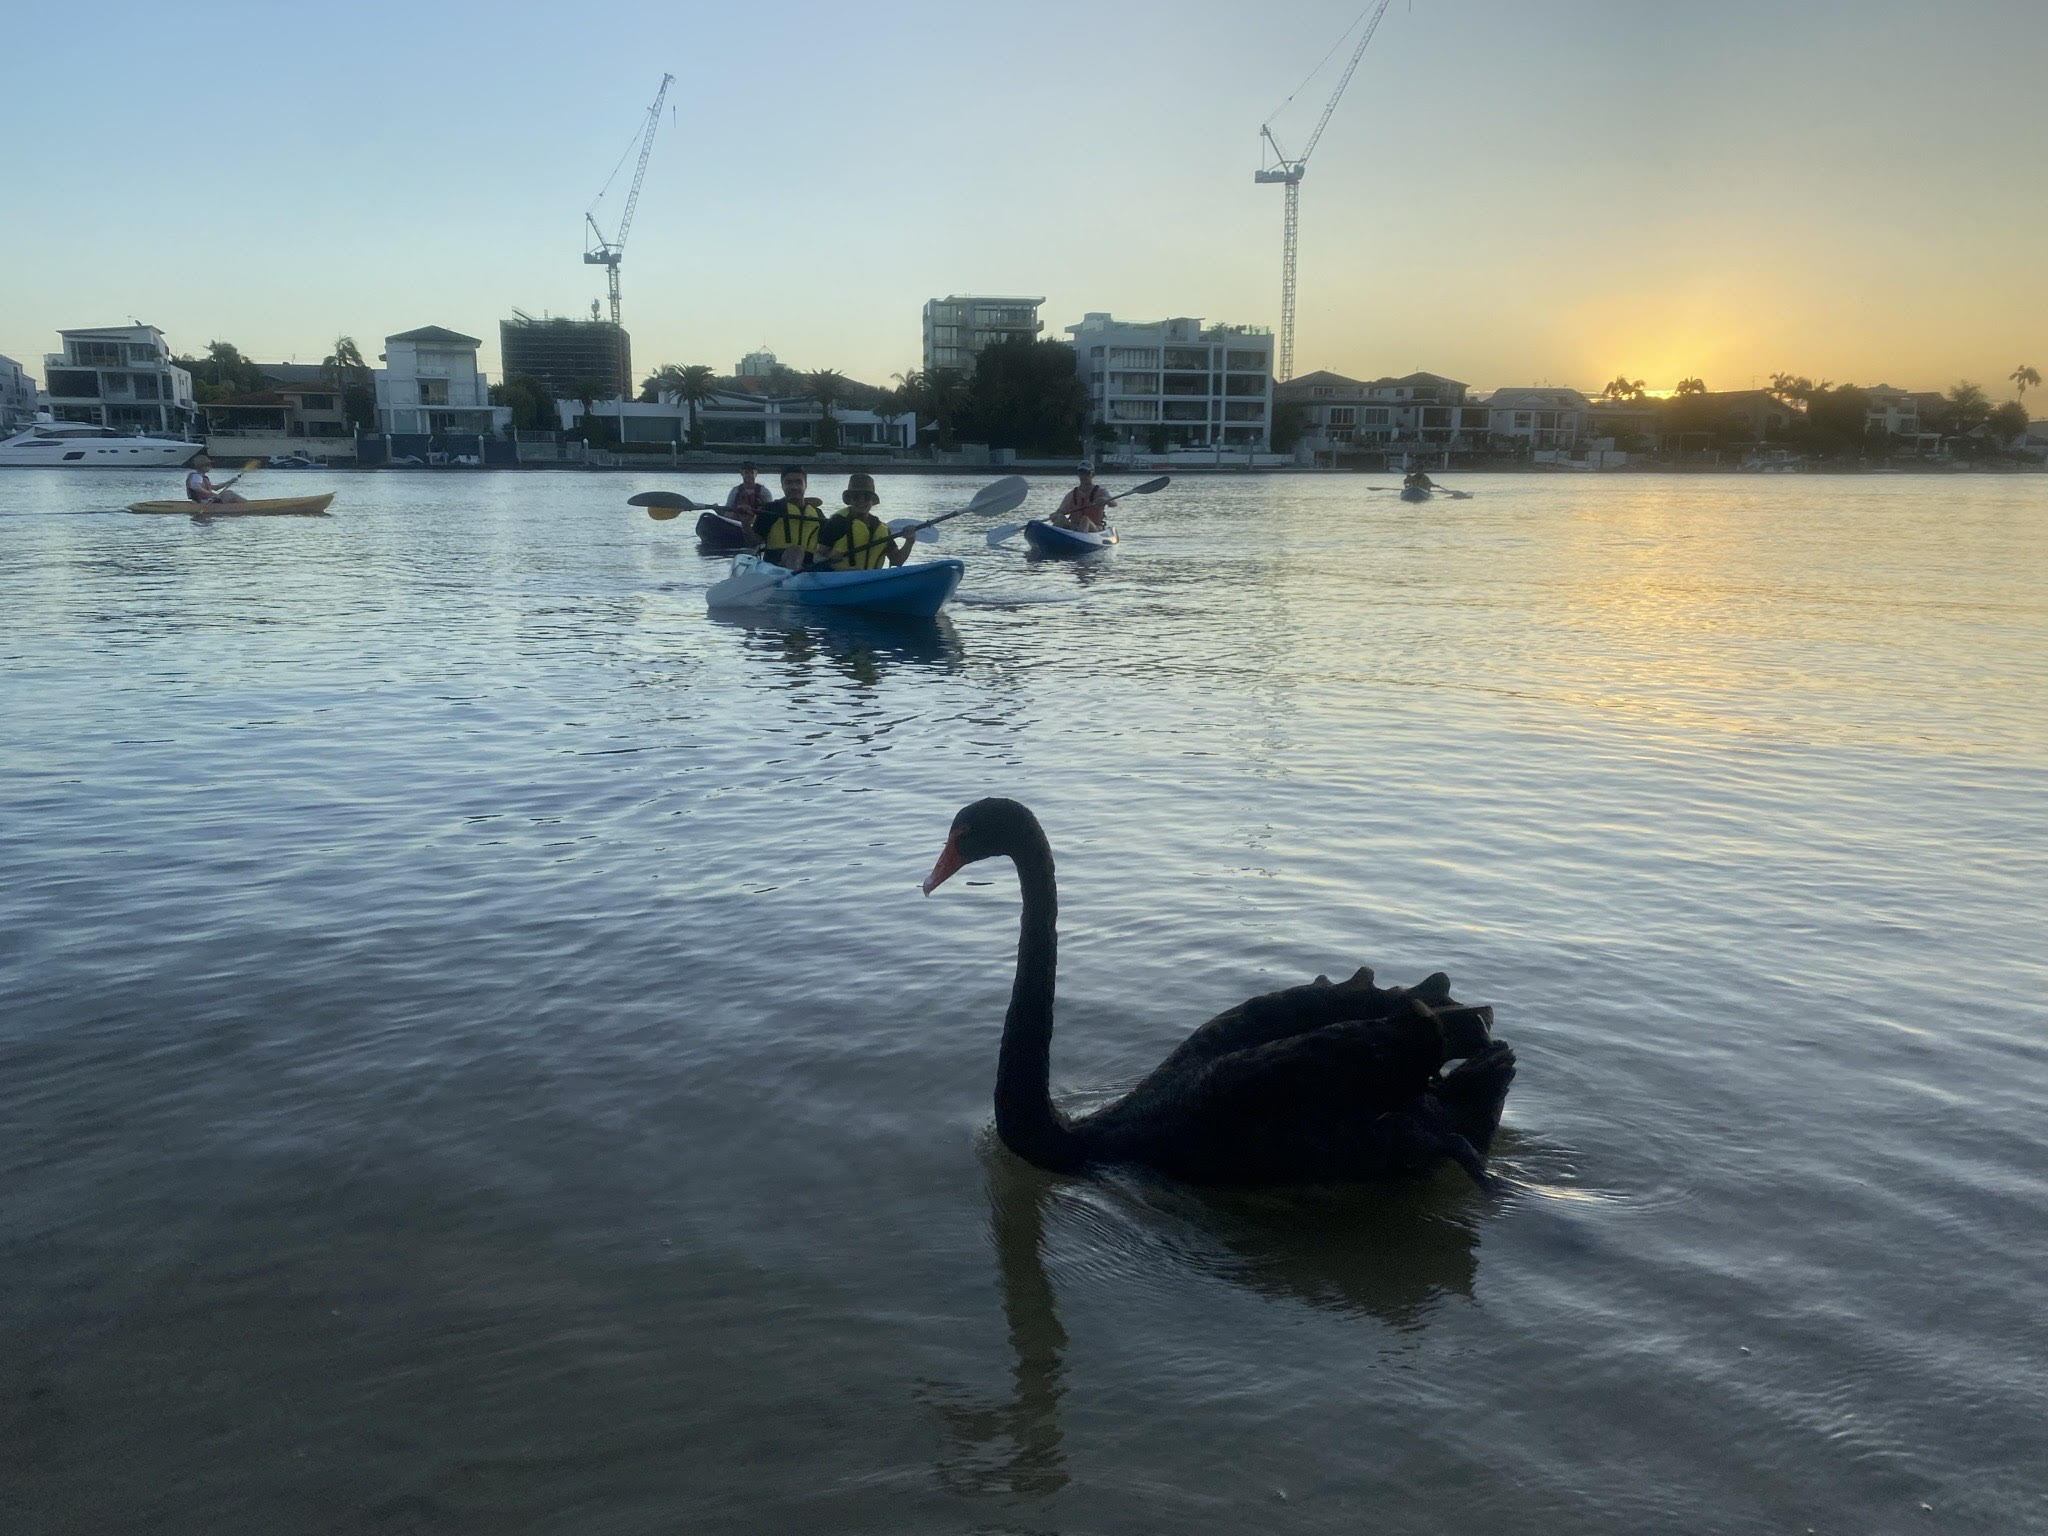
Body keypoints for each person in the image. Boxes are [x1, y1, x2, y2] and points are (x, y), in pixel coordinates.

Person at [815, 472, 912, 570]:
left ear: (872, 501)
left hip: (872, 580)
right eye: (856, 496)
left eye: (866, 497)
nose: (861, 500)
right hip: (840, 580)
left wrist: (909, 541)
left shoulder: (882, 529)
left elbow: (897, 561)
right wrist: (829, 559)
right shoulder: (837, 523)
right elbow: (816, 557)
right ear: (850, 499)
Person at [750, 465, 826, 568]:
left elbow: (827, 546)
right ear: (782, 485)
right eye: (788, 482)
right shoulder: (770, 509)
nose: (794, 487)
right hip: (775, 566)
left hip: (809, 568)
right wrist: (745, 523)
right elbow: (753, 541)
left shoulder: (818, 514)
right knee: (796, 551)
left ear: (805, 485)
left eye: (798, 482)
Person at [1050, 463, 1113, 531]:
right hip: (1074, 527)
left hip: (1095, 528)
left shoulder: (1101, 491)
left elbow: (1113, 503)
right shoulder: (1071, 494)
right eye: (1081, 473)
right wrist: (1055, 515)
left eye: (1087, 473)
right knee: (1060, 518)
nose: (1083, 476)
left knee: (1085, 520)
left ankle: (1079, 537)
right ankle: (1049, 538)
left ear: (1093, 474)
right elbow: (1060, 511)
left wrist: (1106, 500)